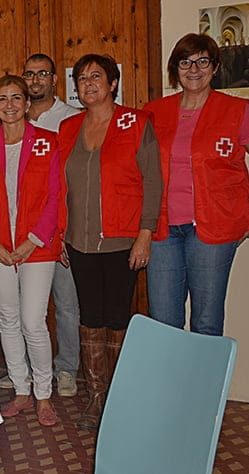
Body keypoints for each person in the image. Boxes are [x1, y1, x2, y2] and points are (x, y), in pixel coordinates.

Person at [144, 34, 249, 336]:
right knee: (163, 322)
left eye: (202, 61)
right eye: (185, 62)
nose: (194, 69)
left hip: (214, 229)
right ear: (175, 68)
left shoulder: (235, 112)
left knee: (206, 321)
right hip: (163, 230)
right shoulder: (154, 112)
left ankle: (202, 385)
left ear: (215, 67)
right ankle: (171, 384)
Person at [58, 54, 162, 430]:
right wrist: (60, 235)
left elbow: (153, 182)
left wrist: (145, 234)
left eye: (96, 77)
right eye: (82, 78)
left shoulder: (136, 123)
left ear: (113, 83)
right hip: (79, 243)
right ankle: (96, 396)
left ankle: (119, 397)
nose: (88, 84)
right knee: (90, 317)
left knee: (118, 317)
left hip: (123, 240)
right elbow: (59, 187)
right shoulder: (69, 128)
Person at [0, 74, 62, 427]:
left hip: (37, 247)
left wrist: (31, 241)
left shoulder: (48, 143)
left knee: (32, 321)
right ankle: (22, 390)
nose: (9, 105)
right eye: (2, 99)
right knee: (7, 319)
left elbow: (55, 197)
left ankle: (43, 393)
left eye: (16, 98)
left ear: (26, 103)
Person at [19, 53, 81, 398]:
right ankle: (26, 368)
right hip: (20, 232)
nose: (36, 80)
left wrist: (66, 231)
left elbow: (73, 181)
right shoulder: (13, 115)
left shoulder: (71, 119)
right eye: (29, 74)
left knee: (67, 302)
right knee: (24, 308)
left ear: (55, 79)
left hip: (58, 227)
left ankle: (67, 368)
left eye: (43, 73)